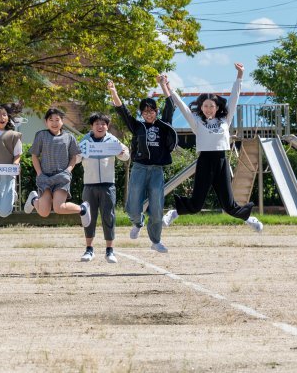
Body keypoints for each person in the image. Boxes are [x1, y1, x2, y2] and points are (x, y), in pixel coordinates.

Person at [158, 65, 263, 233]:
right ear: (201, 107)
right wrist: (167, 87)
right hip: (205, 161)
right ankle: (174, 213)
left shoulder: (225, 120)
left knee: (229, 204)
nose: (208, 109)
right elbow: (181, 105)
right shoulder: (196, 122)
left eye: (212, 106)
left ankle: (249, 219)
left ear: (217, 107)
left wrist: (240, 76)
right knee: (197, 204)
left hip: (221, 161)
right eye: (205, 106)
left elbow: (234, 98)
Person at [108, 82, 177, 253]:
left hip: (156, 170)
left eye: (151, 110)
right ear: (141, 113)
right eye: (145, 111)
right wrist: (114, 91)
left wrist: (163, 85)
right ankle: (138, 222)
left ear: (156, 111)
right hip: (139, 168)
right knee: (132, 207)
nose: (148, 114)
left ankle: (155, 240)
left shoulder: (164, 125)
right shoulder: (137, 126)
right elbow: (122, 111)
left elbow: (170, 104)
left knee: (157, 208)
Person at [24, 107, 91, 229]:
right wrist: (39, 173)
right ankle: (34, 199)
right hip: (44, 177)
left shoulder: (69, 137)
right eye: (51, 120)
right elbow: (34, 156)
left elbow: (74, 157)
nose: (54, 123)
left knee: (59, 208)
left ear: (62, 121)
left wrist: (68, 171)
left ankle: (83, 209)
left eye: (57, 119)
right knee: (44, 212)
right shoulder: (41, 135)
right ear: (46, 122)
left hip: (61, 177)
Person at [78, 111, 131, 262]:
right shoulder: (85, 140)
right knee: (89, 217)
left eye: (103, 124)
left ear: (107, 126)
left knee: (109, 216)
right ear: (92, 126)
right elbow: (75, 159)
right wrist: (79, 154)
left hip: (108, 185)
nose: (100, 126)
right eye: (97, 124)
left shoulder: (112, 140)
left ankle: (110, 251)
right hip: (89, 184)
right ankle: (89, 249)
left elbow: (126, 155)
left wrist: (121, 153)